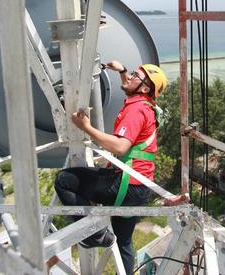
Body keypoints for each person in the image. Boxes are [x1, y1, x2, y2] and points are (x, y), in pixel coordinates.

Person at [54, 60, 168, 274]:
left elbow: (121, 146)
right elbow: (134, 86)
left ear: (144, 88)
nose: (131, 76)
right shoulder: (147, 105)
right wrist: (123, 71)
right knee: (124, 241)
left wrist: (86, 127)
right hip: (139, 189)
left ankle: (93, 235)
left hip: (124, 184)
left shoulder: (136, 109)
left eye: (136, 75)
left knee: (64, 181)